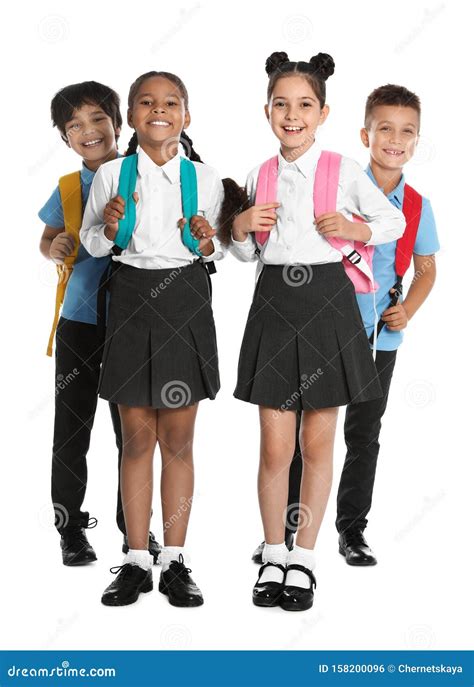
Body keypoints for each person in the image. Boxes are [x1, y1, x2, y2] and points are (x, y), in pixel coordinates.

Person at [231, 52, 405, 611]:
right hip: (274, 303)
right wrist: (239, 228)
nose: (292, 113)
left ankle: (305, 559)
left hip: (329, 302)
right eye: (281, 103)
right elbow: (244, 252)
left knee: (318, 441)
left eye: (304, 104)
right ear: (266, 111)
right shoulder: (260, 173)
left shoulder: (344, 169)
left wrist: (355, 226)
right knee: (274, 445)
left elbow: (393, 221)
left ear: (323, 112)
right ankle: (274, 551)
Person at [80, 71, 226, 607]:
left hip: (186, 299)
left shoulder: (206, 179)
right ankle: (137, 558)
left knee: (179, 442)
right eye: (146, 102)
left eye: (170, 103)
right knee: (136, 440)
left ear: (186, 115)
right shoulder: (111, 175)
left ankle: (176, 560)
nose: (158, 110)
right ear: (132, 116)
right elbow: (94, 244)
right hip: (130, 299)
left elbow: (217, 253)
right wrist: (110, 227)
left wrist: (208, 241)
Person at [39, 81, 161, 567]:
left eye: (97, 120)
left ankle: (134, 531)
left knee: (133, 434)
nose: (88, 131)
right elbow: (49, 237)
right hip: (80, 322)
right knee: (71, 427)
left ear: (119, 124)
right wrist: (55, 248)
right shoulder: (69, 188)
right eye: (74, 126)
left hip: (134, 322)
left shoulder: (142, 175)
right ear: (65, 137)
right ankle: (70, 529)